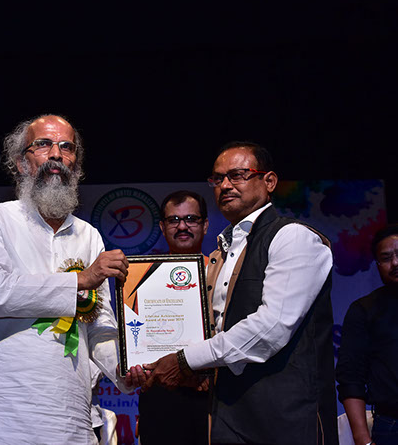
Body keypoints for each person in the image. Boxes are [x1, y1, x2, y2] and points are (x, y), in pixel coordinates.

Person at [129, 141, 337, 444]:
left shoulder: (292, 237)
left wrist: (185, 360)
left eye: (238, 175)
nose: (225, 185)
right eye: (217, 178)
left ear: (269, 181)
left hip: (285, 418)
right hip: (228, 416)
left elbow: (271, 328)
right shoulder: (222, 254)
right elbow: (214, 330)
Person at [0, 114, 136, 445]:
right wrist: (80, 280)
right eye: (43, 144)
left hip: (71, 413)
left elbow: (99, 325)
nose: (56, 154)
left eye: (67, 147)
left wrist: (126, 371)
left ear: (76, 165)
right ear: (21, 163)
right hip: (2, 411)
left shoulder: (90, 236)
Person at [137, 190, 210, 445]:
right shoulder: (142, 278)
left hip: (211, 396)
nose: (182, 226)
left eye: (191, 219)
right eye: (173, 220)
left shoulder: (222, 275)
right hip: (161, 396)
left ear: (205, 225)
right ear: (162, 227)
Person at [336, 224, 398, 445]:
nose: (395, 263)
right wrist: (363, 440)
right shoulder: (364, 310)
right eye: (386, 258)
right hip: (392, 425)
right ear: (377, 265)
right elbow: (351, 378)